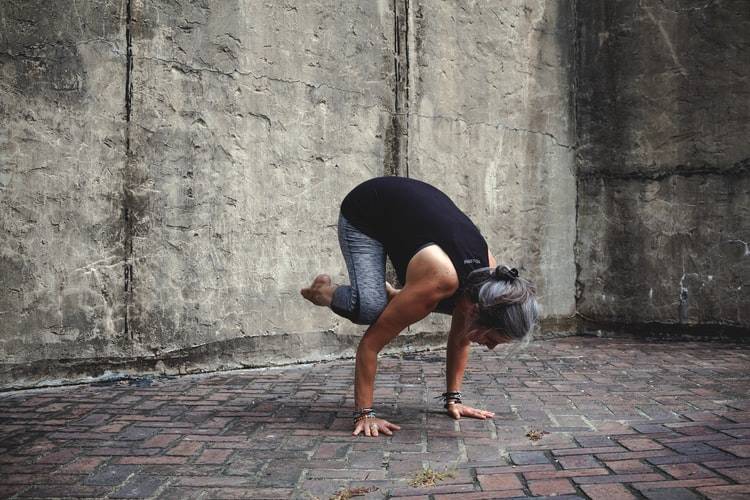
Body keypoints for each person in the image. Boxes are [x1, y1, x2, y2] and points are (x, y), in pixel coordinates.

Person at [301, 176, 539, 437]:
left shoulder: (487, 279)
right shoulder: (442, 281)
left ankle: (399, 296)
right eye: (494, 338)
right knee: (369, 309)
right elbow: (369, 346)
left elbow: (461, 339)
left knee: (439, 306)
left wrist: (453, 399)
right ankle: (323, 291)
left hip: (407, 213)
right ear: (479, 313)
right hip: (366, 211)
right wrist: (365, 414)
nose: (491, 347)